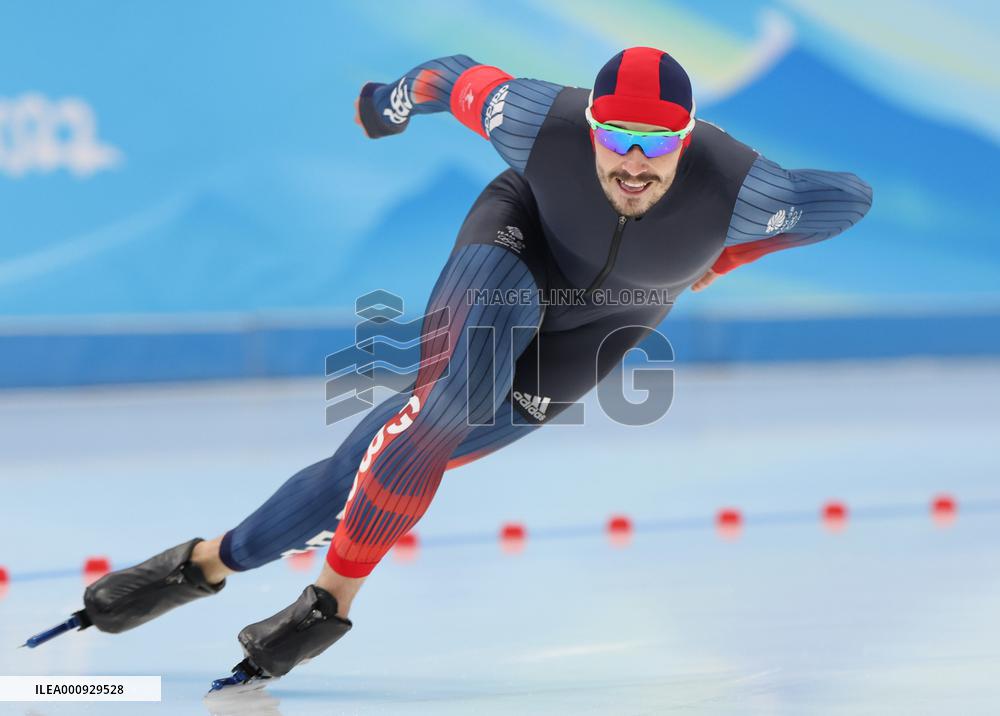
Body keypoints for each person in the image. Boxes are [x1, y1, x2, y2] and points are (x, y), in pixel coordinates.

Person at [57, 47, 874, 686]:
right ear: (588, 124)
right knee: (450, 404)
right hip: (514, 246)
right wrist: (385, 106)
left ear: (685, 138)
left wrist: (725, 260)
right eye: (614, 137)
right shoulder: (532, 118)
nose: (632, 162)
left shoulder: (745, 190)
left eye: (655, 144)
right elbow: (449, 80)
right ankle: (326, 607)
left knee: (367, 461)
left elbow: (847, 197)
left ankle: (204, 562)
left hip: (608, 321)